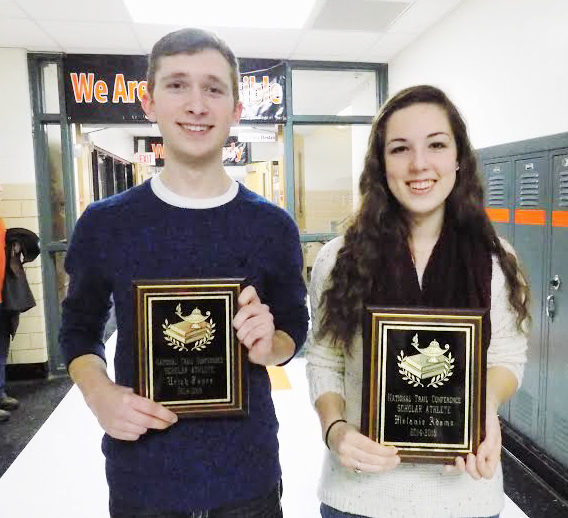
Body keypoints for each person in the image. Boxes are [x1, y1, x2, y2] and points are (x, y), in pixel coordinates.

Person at [59, 28, 308, 517]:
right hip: (144, 477)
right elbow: (78, 329)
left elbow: (294, 328)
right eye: (177, 85)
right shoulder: (106, 223)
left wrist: (270, 345)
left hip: (247, 476)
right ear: (149, 103)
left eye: (214, 88)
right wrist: (98, 393)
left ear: (236, 109)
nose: (197, 104)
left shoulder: (272, 226)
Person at [305, 85, 529, 518]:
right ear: (380, 164)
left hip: (465, 500)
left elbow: (508, 355)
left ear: (458, 158)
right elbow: (324, 360)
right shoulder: (338, 258)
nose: (419, 164)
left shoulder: (494, 260)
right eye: (400, 149)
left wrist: (484, 405)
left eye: (437, 145)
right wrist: (334, 430)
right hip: (357, 498)